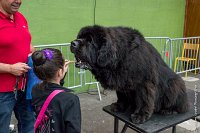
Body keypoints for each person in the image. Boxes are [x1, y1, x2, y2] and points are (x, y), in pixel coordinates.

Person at [0, 0, 35, 133]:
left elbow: (26, 44)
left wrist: (38, 54)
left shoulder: (20, 17)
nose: (18, 1)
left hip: (24, 87)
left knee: (28, 124)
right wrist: (10, 68)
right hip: (2, 92)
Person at [31, 48, 81, 133]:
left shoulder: (35, 89)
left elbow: (52, 91)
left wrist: (60, 74)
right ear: (60, 71)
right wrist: (61, 74)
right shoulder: (71, 100)